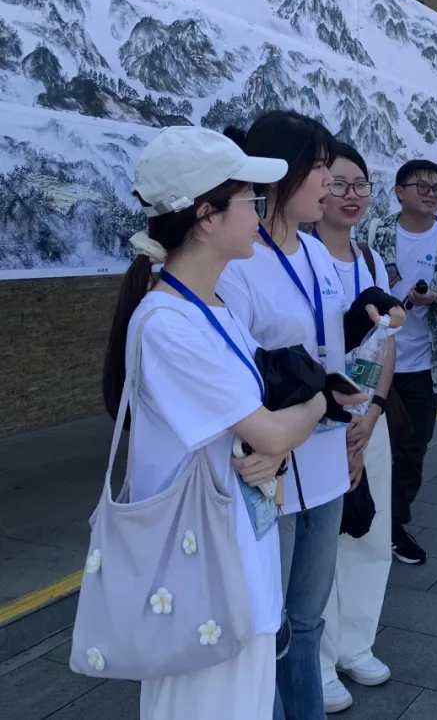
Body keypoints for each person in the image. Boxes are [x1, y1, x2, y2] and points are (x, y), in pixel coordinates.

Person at [101, 126, 362, 719]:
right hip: (200, 573)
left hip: (237, 554)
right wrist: (318, 403)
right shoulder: (169, 325)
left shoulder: (210, 308)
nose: (259, 213)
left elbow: (256, 427)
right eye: (249, 199)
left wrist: (275, 435)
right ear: (206, 217)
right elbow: (267, 430)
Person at [217, 112, 358, 720]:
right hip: (269, 471)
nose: (328, 181)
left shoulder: (318, 253)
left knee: (306, 619)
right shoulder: (237, 262)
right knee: (267, 626)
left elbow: (324, 347)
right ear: (278, 173)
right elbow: (240, 377)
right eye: (318, 167)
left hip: (323, 460)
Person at [314, 142, 406, 712]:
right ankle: (319, 659)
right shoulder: (300, 256)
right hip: (318, 423)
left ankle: (355, 645)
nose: (351, 196)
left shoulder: (371, 261)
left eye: (360, 185)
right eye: (338, 184)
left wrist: (372, 415)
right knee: (321, 543)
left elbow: (385, 344)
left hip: (368, 421)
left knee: (371, 534)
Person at [366, 159, 437, 566]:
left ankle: (393, 525)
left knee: (412, 451)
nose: (431, 194)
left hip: (425, 366)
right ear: (399, 192)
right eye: (421, 186)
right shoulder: (374, 233)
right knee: (365, 442)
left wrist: (434, 301)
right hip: (373, 361)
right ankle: (362, 519)